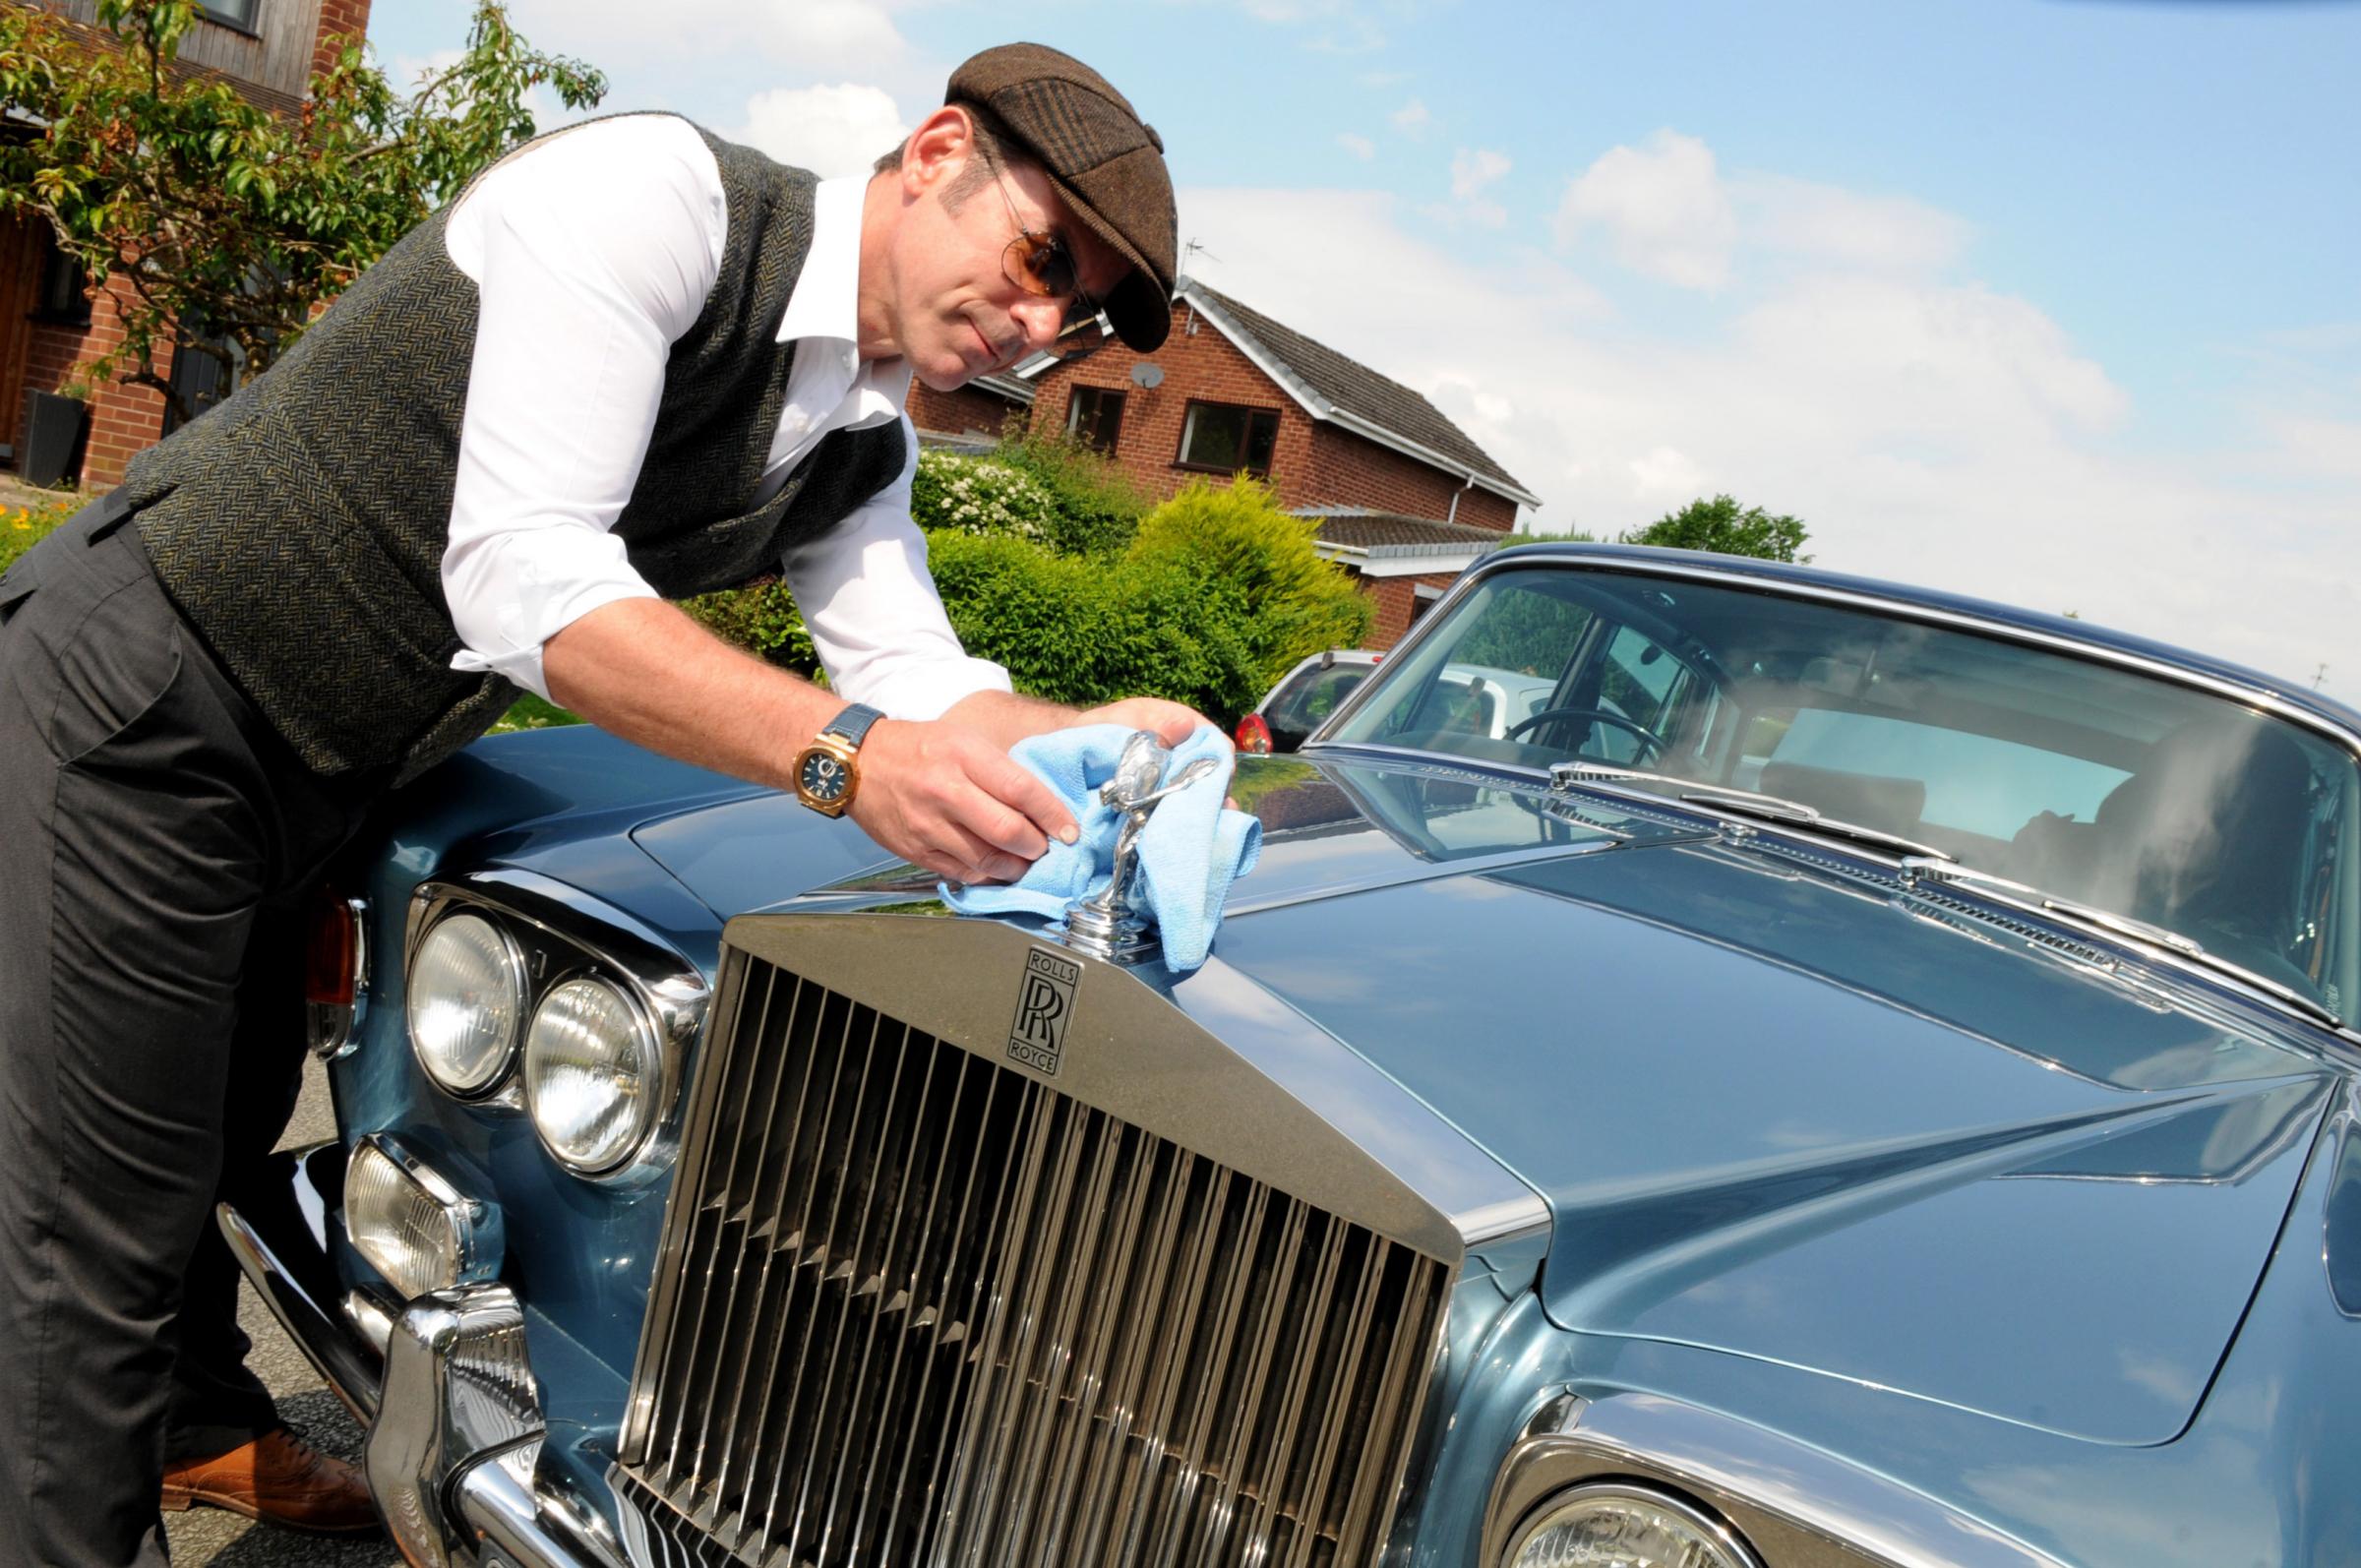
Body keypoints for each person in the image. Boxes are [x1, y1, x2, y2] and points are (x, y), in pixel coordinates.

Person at [0, 41, 1194, 1566]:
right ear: (938, 150)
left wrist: (1086, 738)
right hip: (150, 685)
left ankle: (197, 1426)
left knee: (228, 1127)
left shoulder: (860, 433)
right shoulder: (664, 205)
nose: (1040, 324)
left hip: (323, 764)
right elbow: (525, 580)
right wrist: (846, 761)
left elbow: (924, 683)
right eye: (1042, 259)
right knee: (78, 1263)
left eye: (1077, 312)